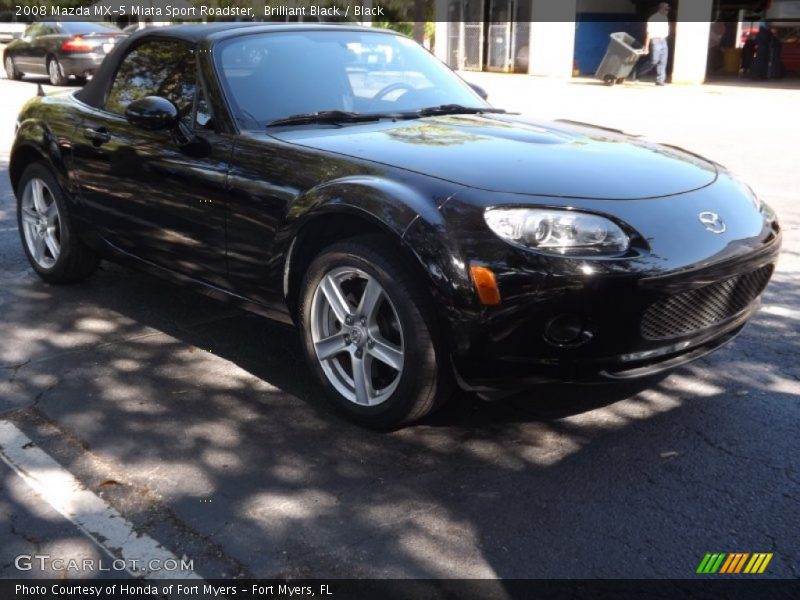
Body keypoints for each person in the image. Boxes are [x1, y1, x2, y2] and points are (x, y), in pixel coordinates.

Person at [635, 2, 671, 86]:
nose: (667, 11)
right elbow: (649, 33)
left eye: (668, 9)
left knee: (663, 61)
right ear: (661, 9)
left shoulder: (665, 18)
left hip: (663, 40)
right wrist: (646, 47)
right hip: (655, 40)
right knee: (654, 61)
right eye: (666, 9)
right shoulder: (653, 18)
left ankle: (660, 80)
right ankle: (638, 73)